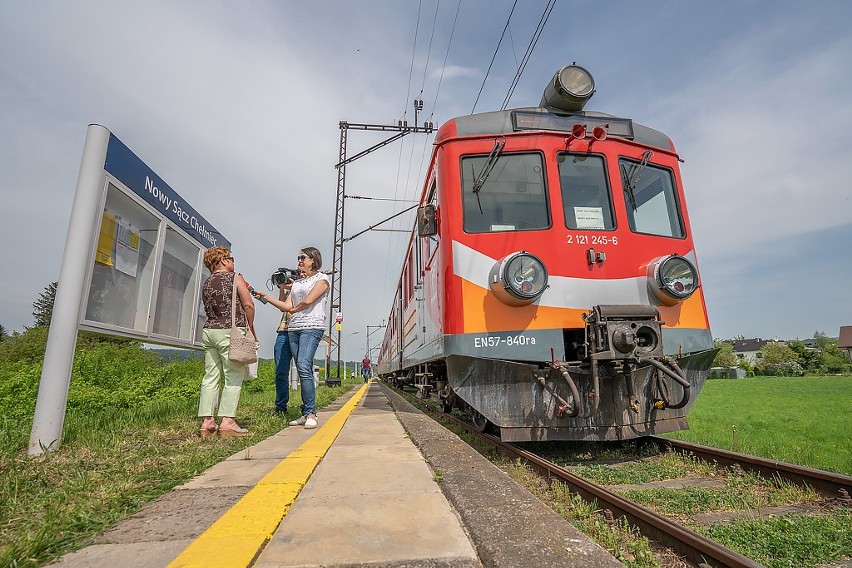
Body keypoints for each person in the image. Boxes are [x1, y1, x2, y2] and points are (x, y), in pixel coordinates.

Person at [253, 247, 329, 429]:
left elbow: (308, 301)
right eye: (298, 258)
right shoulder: (297, 284)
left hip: (312, 327)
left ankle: (311, 413)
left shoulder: (322, 279)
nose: (299, 261)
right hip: (293, 328)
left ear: (313, 260)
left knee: (303, 366)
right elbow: (286, 306)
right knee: (300, 367)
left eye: (302, 258)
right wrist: (267, 297)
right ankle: (305, 414)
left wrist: (295, 309)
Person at [198, 246, 255, 437]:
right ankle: (228, 421)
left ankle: (207, 421)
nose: (233, 262)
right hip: (229, 331)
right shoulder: (235, 277)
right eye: (230, 259)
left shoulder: (206, 282)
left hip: (209, 331)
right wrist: (250, 326)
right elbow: (248, 303)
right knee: (233, 375)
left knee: (210, 376)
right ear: (222, 260)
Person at [271, 280, 294, 416]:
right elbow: (283, 307)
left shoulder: (308, 285)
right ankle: (280, 407)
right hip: (284, 330)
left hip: (301, 330)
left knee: (304, 370)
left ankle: (308, 408)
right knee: (280, 371)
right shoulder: (289, 289)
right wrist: (282, 288)